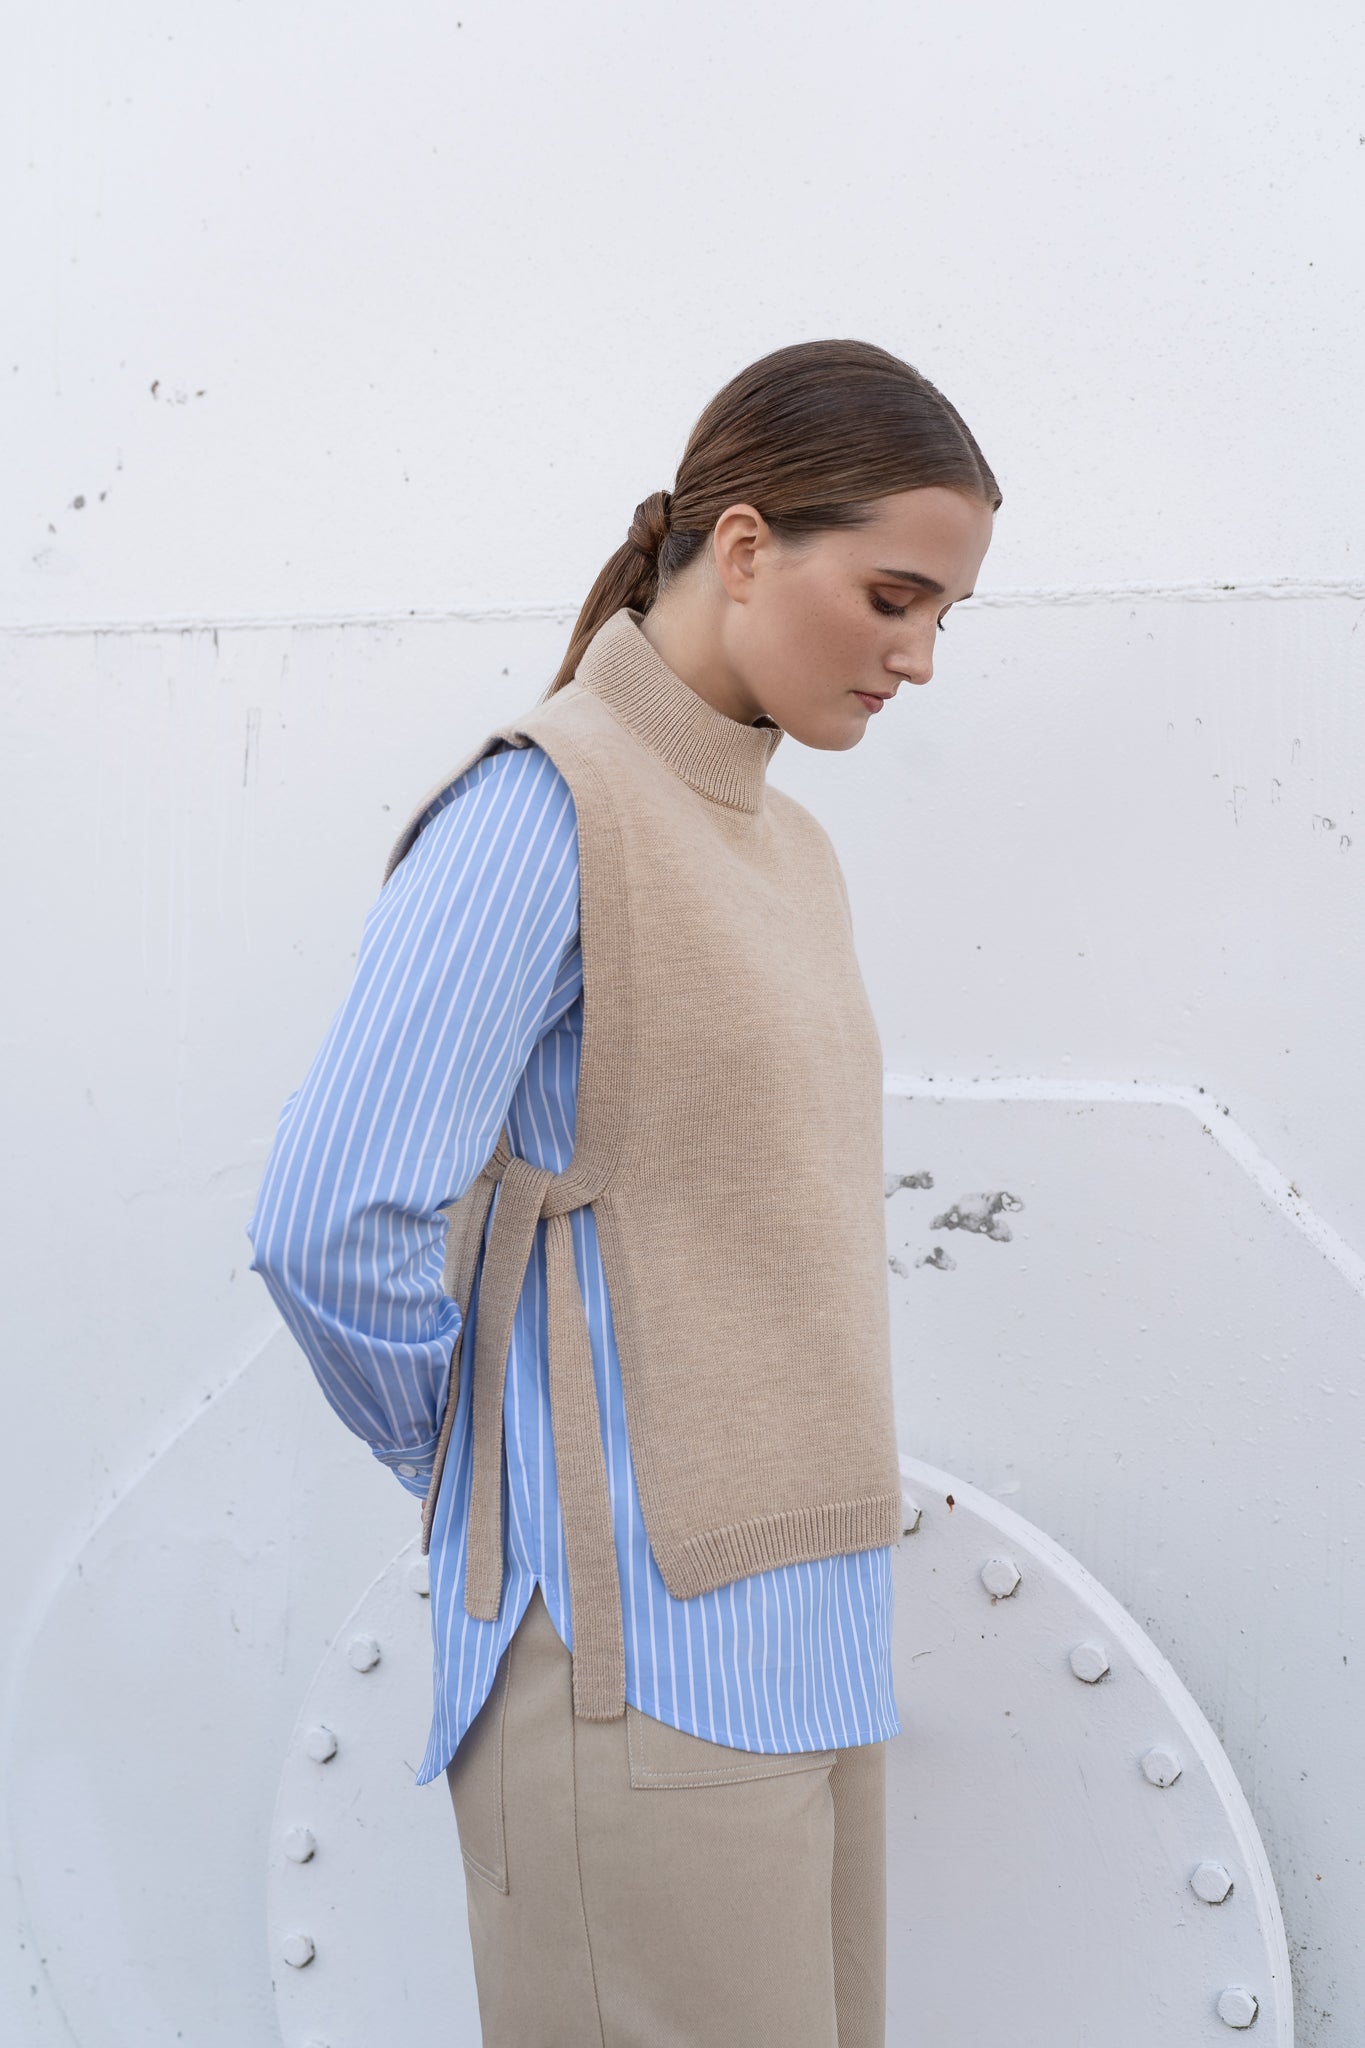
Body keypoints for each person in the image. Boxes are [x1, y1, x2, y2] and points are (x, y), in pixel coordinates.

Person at [247, 336, 998, 2047]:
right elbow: (329, 1218)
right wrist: (470, 1479)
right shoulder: (544, 806)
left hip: (809, 1642)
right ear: (742, 548)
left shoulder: (781, 842)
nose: (919, 655)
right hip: (628, 1679)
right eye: (893, 596)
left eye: (946, 615)